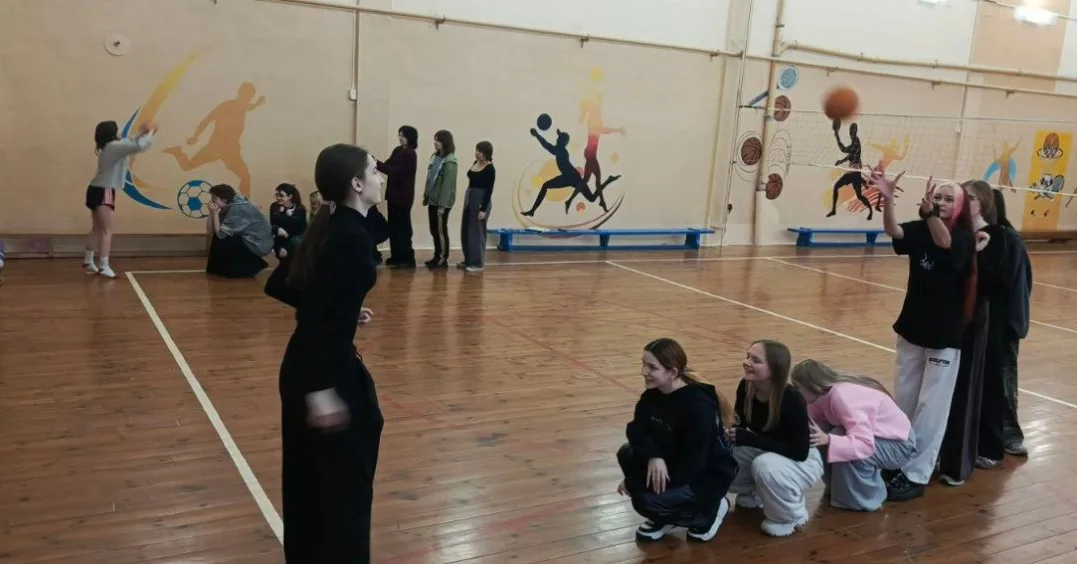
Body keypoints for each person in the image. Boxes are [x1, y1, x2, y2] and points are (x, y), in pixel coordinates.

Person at [263, 144, 385, 563]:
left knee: (313, 484)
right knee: (341, 491)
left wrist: (344, 309)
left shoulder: (331, 223)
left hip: (306, 369)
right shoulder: (351, 238)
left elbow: (281, 284)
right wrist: (320, 392)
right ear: (357, 184)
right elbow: (312, 315)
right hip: (322, 374)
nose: (380, 177)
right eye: (374, 170)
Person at [869, 167, 976, 501]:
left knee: (932, 407)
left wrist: (930, 215)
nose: (941, 202)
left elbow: (944, 242)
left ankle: (916, 474)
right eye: (938, 196)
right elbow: (895, 231)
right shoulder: (921, 229)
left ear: (959, 207)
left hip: (945, 335)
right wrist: (888, 200)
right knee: (905, 400)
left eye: (948, 199)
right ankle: (896, 459)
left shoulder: (963, 237)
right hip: (912, 327)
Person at [617, 338, 737, 543]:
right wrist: (654, 456)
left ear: (672, 372)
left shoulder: (697, 406)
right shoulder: (654, 394)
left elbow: (689, 467)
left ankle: (708, 513)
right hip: (675, 461)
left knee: (645, 500)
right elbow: (637, 428)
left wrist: (634, 482)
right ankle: (664, 516)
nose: (643, 371)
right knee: (627, 453)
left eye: (652, 367)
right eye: (643, 364)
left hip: (705, 478)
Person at [938, 180, 1007, 486]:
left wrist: (974, 255)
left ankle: (967, 457)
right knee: (946, 388)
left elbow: (993, 285)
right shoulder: (957, 233)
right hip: (950, 319)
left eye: (971, 198)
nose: (964, 202)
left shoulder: (995, 236)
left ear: (984, 203)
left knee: (971, 386)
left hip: (975, 321)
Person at [727, 339, 823, 537]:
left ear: (774, 369)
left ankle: (791, 514)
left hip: (803, 460)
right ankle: (755, 492)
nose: (746, 362)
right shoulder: (746, 386)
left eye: (755, 360)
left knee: (765, 465)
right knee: (723, 456)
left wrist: (751, 440)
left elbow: (799, 452)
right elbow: (740, 424)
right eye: (747, 357)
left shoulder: (791, 399)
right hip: (767, 449)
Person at [791, 359, 915, 512]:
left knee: (837, 439)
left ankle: (866, 498)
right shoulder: (819, 397)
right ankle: (840, 489)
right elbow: (809, 423)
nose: (795, 392)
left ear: (813, 386)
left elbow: (864, 444)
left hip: (900, 445)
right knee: (826, 435)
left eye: (798, 388)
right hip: (883, 437)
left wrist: (829, 440)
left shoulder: (841, 397)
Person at [85, 119, 157, 278]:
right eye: (117, 130)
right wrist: (150, 131)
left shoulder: (109, 147)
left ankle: (89, 260)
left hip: (95, 189)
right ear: (112, 134)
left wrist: (141, 133)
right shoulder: (114, 147)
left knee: (97, 229)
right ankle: (104, 265)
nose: (120, 132)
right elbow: (138, 146)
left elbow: (129, 142)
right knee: (107, 230)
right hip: (104, 190)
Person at [992, 189, 1032, 457]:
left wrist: (1014, 324)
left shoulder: (1009, 240)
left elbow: (1021, 286)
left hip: (1003, 326)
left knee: (1004, 382)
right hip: (980, 325)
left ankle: (1011, 435)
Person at [205, 184, 273, 278]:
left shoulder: (237, 208)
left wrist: (214, 213)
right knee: (219, 239)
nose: (212, 201)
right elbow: (214, 230)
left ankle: (253, 266)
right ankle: (216, 269)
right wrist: (212, 213)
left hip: (259, 243)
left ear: (224, 199)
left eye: (214, 198)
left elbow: (220, 234)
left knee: (221, 240)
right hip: (249, 238)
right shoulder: (233, 204)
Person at [376, 125, 419, 269]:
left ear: (410, 137)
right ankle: (396, 256)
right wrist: (375, 163)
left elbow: (397, 171)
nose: (400, 138)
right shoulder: (398, 150)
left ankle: (407, 258)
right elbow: (387, 165)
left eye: (403, 135)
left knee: (403, 229)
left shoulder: (410, 154)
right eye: (399, 135)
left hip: (403, 197)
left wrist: (376, 163)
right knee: (393, 227)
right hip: (393, 195)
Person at [423, 130, 458, 269]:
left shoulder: (450, 161)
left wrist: (442, 206)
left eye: (438, 140)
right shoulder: (435, 157)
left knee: (440, 231)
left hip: (441, 203)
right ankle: (437, 255)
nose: (435, 142)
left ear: (445, 142)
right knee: (434, 230)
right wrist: (427, 196)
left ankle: (442, 258)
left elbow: (447, 186)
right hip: (433, 201)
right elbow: (430, 178)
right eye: (435, 139)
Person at [459, 141, 495, 272]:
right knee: (466, 230)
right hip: (470, 199)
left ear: (486, 153)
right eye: (476, 150)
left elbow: (489, 190)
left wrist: (483, 209)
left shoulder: (490, 169)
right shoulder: (475, 163)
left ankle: (477, 263)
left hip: (480, 201)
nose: (477, 153)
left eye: (480, 151)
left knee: (477, 233)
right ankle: (468, 259)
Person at [270, 183, 308, 260]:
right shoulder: (274, 206)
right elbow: (273, 223)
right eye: (276, 195)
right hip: (279, 240)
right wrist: (278, 228)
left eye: (281, 195)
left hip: (295, 239)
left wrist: (283, 216)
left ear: (290, 196)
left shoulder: (299, 208)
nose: (278, 198)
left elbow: (296, 228)